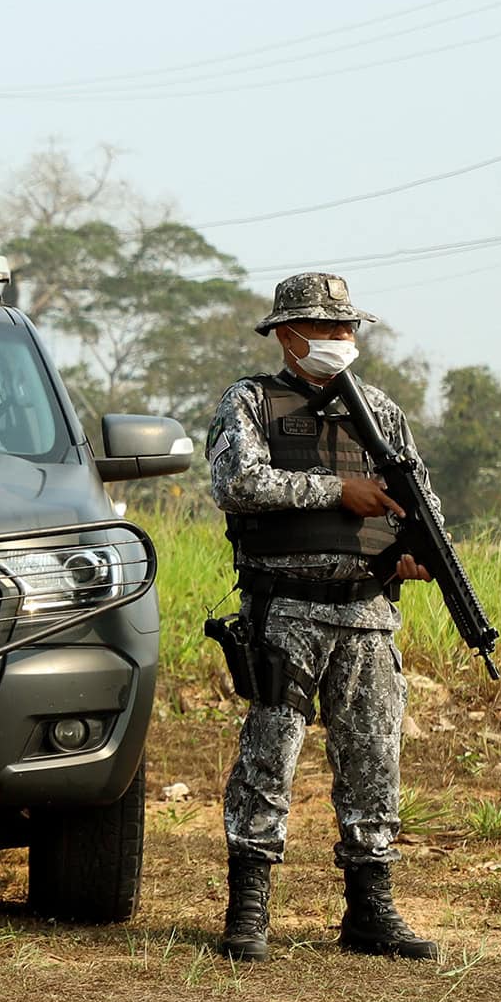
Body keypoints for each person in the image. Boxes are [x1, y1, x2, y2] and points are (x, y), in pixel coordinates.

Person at [210, 271, 441, 962]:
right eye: (326, 328)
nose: (341, 340)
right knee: (269, 757)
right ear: (287, 334)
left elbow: (419, 505)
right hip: (284, 610)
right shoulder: (251, 401)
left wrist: (417, 556)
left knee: (374, 760)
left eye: (348, 329)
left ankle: (371, 909)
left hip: (368, 614)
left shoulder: (383, 412)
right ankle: (248, 908)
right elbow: (237, 483)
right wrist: (338, 489)